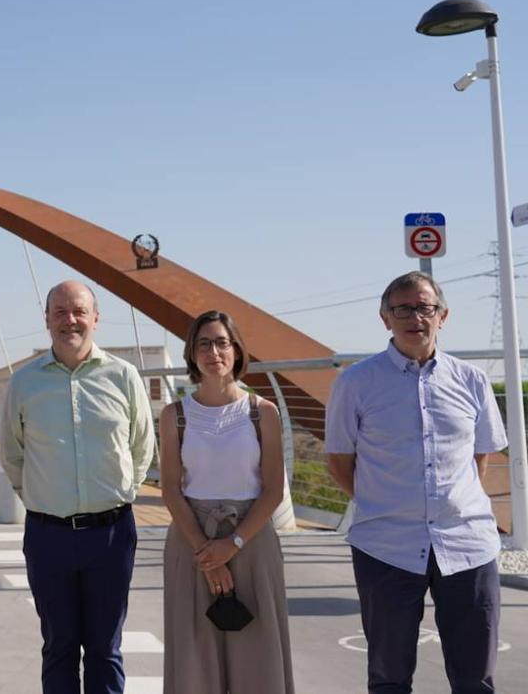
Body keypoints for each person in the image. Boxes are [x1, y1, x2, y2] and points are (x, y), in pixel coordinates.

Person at [326, 271, 505, 694]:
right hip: (385, 547)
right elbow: (338, 461)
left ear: (443, 316)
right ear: (384, 318)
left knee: (475, 678)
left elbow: (479, 457)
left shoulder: (471, 380)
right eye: (402, 308)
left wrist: (448, 504)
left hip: (467, 545)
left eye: (424, 307)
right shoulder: (356, 382)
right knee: (389, 677)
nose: (414, 317)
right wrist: (385, 503)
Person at [1, 280, 155, 694]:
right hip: (48, 534)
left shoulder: (123, 376)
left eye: (79, 311)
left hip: (111, 534)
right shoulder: (24, 383)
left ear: (96, 318)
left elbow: (143, 445)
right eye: (60, 312)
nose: (70, 320)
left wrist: (123, 491)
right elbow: (12, 455)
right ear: (47, 320)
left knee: (106, 649)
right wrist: (42, 497)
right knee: (59, 647)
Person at [159, 310, 293, 694]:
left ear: (236, 350)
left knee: (258, 654)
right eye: (203, 343)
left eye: (222, 342)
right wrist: (207, 553)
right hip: (192, 540)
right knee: (194, 653)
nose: (213, 351)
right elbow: (170, 489)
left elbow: (272, 490)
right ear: (191, 353)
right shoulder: (175, 416)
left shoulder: (262, 412)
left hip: (251, 539)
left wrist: (231, 544)